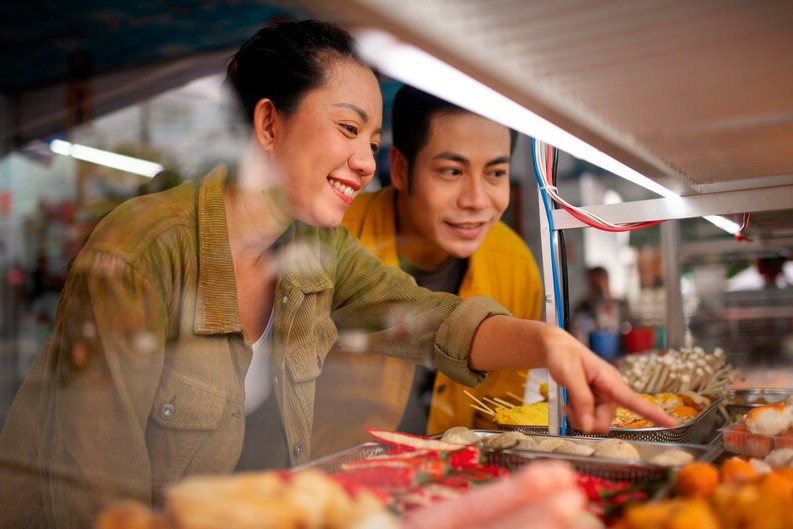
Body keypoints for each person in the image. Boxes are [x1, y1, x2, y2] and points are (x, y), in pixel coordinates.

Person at [0, 20, 672, 529]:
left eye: (372, 143)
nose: (364, 162)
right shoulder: (141, 253)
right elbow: (97, 500)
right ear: (268, 121)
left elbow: (427, 318)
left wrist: (551, 344)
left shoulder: (314, 252)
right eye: (347, 129)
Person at [312, 86, 542, 455]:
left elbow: (500, 419)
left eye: (496, 173)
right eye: (452, 171)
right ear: (401, 170)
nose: (477, 201)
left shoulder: (515, 266)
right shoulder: (330, 236)